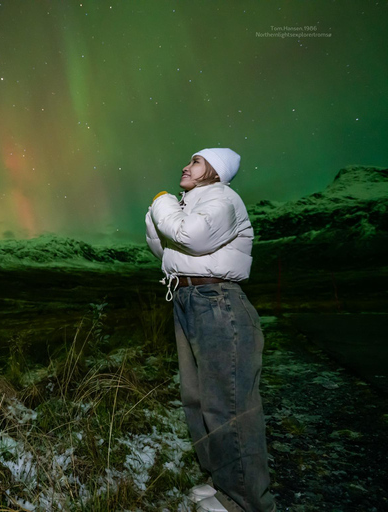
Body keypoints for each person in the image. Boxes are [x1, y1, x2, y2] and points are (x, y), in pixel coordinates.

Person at [144, 148, 277, 512]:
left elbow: (192, 238)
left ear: (215, 171)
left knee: (229, 404)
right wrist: (158, 213)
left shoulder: (224, 198)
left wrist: (162, 203)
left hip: (217, 301)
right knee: (197, 400)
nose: (185, 166)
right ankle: (222, 484)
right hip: (188, 299)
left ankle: (246, 502)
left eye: (196, 162)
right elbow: (164, 249)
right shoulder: (191, 203)